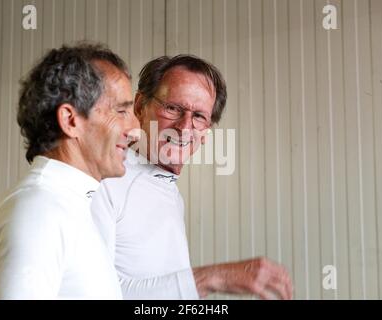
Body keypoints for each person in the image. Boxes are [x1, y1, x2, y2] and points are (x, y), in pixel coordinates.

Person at [91, 55, 293, 300]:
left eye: (199, 116)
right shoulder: (103, 183)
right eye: (173, 108)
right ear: (140, 106)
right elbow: (93, 293)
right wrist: (214, 278)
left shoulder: (169, 191)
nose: (185, 128)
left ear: (206, 132)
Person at [0, 43, 140, 299]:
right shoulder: (39, 210)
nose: (135, 128)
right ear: (70, 120)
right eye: (121, 111)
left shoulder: (66, 205)